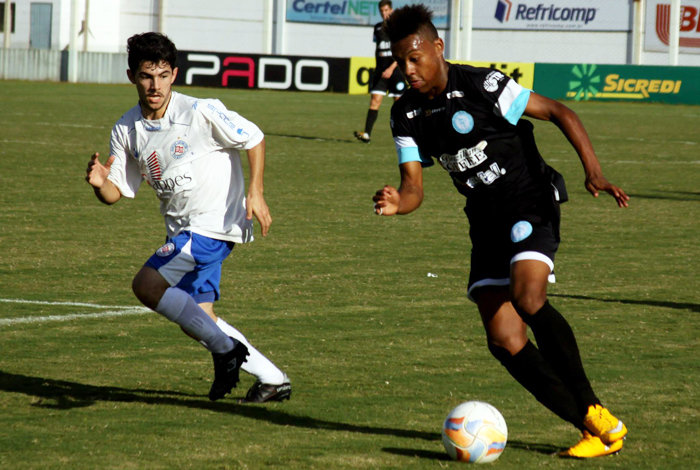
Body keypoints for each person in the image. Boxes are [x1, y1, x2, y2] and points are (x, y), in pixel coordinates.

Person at [372, 5, 629, 458]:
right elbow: (414, 187)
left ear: (438, 47)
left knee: (529, 299)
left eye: (415, 58)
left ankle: (593, 407)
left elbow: (558, 111)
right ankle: (593, 430)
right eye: (400, 60)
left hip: (530, 199)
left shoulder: (480, 85)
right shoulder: (405, 115)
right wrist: (398, 204)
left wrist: (594, 172)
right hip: (485, 220)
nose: (407, 70)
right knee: (504, 339)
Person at [85, 32, 291, 404]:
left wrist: (256, 191)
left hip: (213, 223)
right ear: (131, 75)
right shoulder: (126, 129)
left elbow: (255, 137)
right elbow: (116, 193)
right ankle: (272, 378)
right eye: (147, 76)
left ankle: (226, 352)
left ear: (174, 75)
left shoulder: (199, 111)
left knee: (146, 286)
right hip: (184, 229)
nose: (155, 85)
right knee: (199, 320)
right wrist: (100, 183)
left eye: (163, 75)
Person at [354, 0, 406, 144]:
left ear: (391, 10)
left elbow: (401, 52)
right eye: (382, 11)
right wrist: (380, 68)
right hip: (380, 72)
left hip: (396, 72)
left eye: (386, 10)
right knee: (374, 101)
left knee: (399, 105)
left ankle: (405, 135)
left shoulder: (398, 27)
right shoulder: (377, 27)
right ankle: (367, 134)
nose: (384, 13)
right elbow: (378, 48)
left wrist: (391, 68)